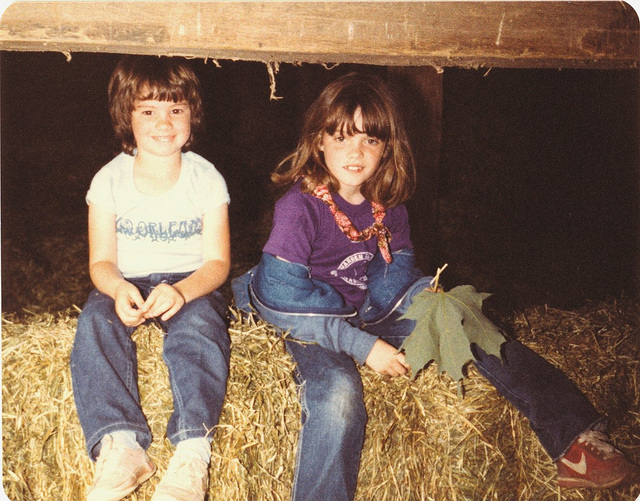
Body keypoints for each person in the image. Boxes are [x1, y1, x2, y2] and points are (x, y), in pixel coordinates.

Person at [232, 72, 639, 500]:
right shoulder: (299, 209)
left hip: (362, 311)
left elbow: (392, 282)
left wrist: (424, 303)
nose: (356, 152)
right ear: (318, 140)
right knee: (338, 394)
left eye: (370, 140)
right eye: (342, 137)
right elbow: (280, 297)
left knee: (464, 323)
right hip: (307, 319)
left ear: (387, 148)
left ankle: (574, 441)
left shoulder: (388, 208)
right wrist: (362, 346)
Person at [71, 55, 231, 501]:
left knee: (200, 329)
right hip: (129, 279)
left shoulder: (206, 179)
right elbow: (100, 261)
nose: (164, 122)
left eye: (176, 109)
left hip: (191, 280)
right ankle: (121, 445)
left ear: (192, 115)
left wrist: (182, 291)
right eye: (148, 111)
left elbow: (218, 263)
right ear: (126, 116)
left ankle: (193, 452)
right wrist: (119, 288)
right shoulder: (108, 181)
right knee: (96, 323)